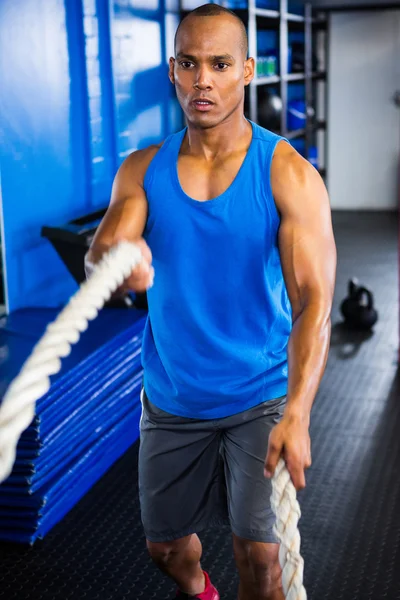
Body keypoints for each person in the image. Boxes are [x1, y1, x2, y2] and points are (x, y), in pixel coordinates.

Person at [86, 4, 337, 599]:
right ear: (172, 70)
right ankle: (202, 590)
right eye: (191, 64)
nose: (204, 80)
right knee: (165, 549)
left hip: (259, 394)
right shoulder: (143, 170)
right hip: (174, 395)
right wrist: (117, 262)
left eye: (220, 64)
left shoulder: (288, 175)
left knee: (262, 563)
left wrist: (297, 411)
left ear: (247, 70)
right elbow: (106, 247)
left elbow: (314, 303)